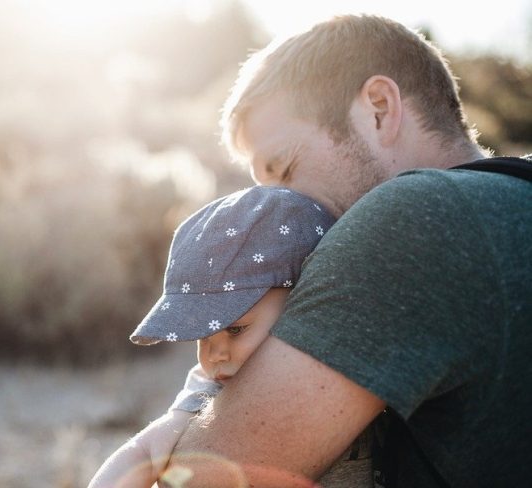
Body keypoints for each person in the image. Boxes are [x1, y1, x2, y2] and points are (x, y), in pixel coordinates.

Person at [163, 14, 532, 488]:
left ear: (379, 108)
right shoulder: (509, 200)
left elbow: (203, 481)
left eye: (285, 168)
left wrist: (175, 426)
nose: (275, 209)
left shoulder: (411, 218)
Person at [88, 186, 374, 488]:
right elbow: (145, 450)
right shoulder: (212, 390)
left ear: (302, 301)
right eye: (202, 337)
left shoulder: (353, 356)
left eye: (235, 330)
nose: (215, 355)